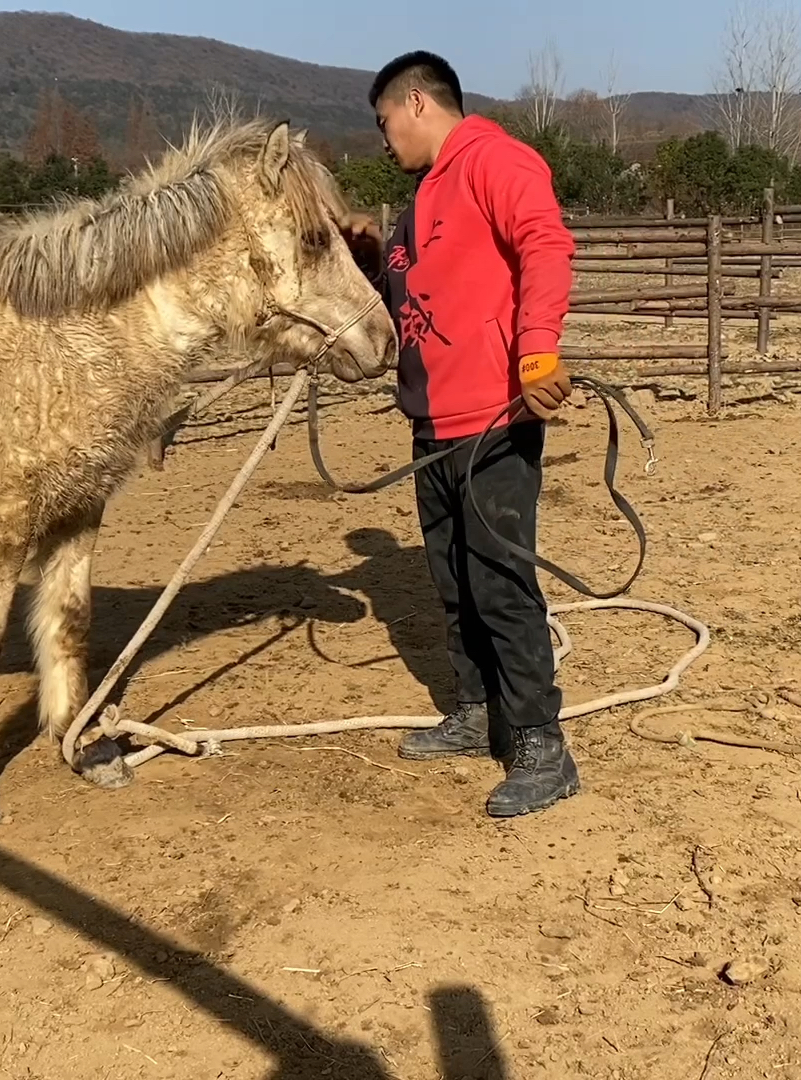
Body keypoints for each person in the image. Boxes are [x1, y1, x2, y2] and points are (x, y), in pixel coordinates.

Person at [339, 50, 579, 817]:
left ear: (416, 103)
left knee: (501, 584)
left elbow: (546, 242)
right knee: (452, 584)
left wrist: (537, 345)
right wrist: (374, 261)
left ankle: (542, 744)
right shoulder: (423, 199)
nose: (383, 140)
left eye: (384, 123)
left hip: (493, 421)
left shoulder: (494, 162)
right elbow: (415, 295)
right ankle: (476, 714)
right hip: (433, 427)